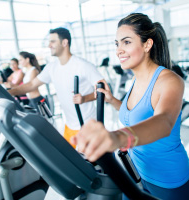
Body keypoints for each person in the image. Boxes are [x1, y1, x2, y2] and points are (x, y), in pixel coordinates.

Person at [71, 13, 189, 200]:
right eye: (117, 44)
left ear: (147, 45)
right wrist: (112, 100)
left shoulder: (170, 80)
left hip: (167, 178)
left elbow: (164, 121)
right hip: (136, 172)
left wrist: (117, 137)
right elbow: (137, 114)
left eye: (126, 42)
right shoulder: (134, 80)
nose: (119, 50)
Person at [9, 27, 103, 148]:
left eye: (53, 41)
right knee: (71, 164)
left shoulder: (82, 65)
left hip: (87, 125)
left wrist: (85, 98)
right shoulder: (51, 67)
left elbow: (104, 89)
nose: (49, 45)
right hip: (69, 126)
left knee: (91, 165)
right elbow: (31, 85)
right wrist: (9, 92)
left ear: (64, 43)